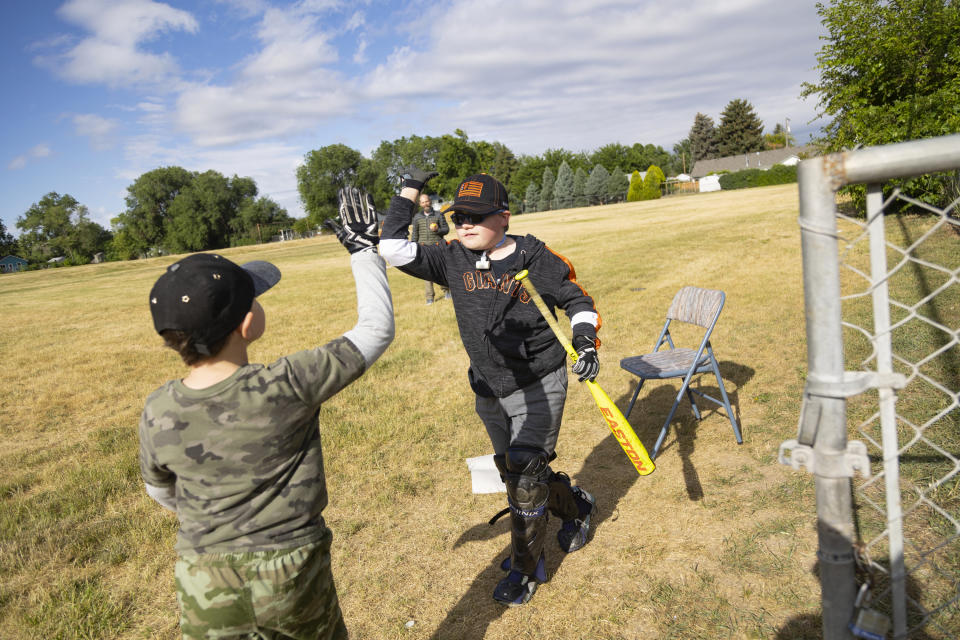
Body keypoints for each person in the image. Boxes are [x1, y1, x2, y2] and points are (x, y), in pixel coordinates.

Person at [138, 187, 393, 639]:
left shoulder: (157, 408)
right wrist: (363, 250)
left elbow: (160, 491)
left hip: (202, 576)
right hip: (291, 570)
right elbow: (375, 329)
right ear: (246, 323)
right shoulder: (287, 383)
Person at [379, 168, 601, 606]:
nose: (464, 223)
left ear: (504, 218)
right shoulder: (451, 257)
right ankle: (576, 504)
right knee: (512, 468)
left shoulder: (534, 257)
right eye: (459, 215)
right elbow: (391, 248)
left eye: (476, 217)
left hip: (538, 379)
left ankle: (525, 568)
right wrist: (409, 189)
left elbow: (578, 300)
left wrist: (585, 341)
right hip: (487, 384)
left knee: (524, 474)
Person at [411, 193, 451, 304]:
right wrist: (414, 246)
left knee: (440, 270)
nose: (425, 204)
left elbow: (446, 230)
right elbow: (415, 234)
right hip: (424, 247)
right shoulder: (417, 217)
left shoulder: (438, 215)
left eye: (427, 201)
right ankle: (429, 298)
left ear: (430, 201)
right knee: (426, 273)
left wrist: (438, 229)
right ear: (420, 204)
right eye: (423, 202)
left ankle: (446, 291)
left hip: (437, 246)